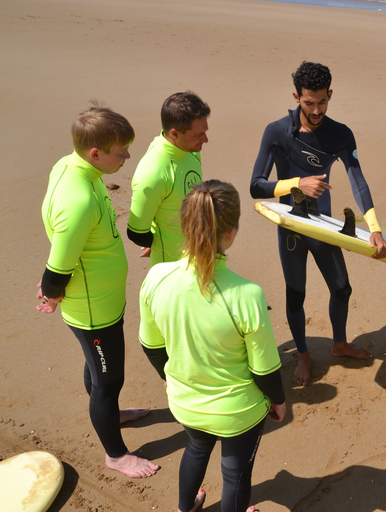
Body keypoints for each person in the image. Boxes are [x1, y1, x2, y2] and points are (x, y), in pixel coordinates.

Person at [139, 180, 286, 512]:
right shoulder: (247, 295)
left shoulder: (156, 279)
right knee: (235, 475)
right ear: (230, 233)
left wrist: (171, 378)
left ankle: (185, 507)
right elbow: (264, 369)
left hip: (186, 403)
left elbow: (151, 345)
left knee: (195, 448)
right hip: (238, 413)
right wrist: (278, 401)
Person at [36, 106, 160, 478]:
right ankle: (116, 454)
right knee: (108, 379)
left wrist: (51, 287)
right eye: (121, 152)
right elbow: (59, 264)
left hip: (99, 299)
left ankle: (111, 413)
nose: (127, 157)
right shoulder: (79, 200)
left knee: (100, 371)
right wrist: (50, 290)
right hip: (93, 309)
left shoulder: (70, 165)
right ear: (96, 153)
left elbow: (62, 241)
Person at [250, 61, 386, 386]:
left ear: (330, 94)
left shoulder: (339, 134)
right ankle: (303, 354)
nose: (316, 110)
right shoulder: (277, 132)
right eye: (309, 103)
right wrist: (297, 183)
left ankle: (339, 344)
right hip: (292, 229)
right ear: (296, 96)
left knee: (342, 288)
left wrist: (376, 228)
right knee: (295, 295)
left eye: (322, 102)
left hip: (323, 225)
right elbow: (256, 185)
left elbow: (359, 181)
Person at [127, 91, 210, 265]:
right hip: (171, 270)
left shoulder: (189, 149)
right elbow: (136, 232)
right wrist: (160, 244)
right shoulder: (153, 172)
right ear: (175, 133)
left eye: (204, 131)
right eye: (198, 135)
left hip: (199, 258)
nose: (206, 139)